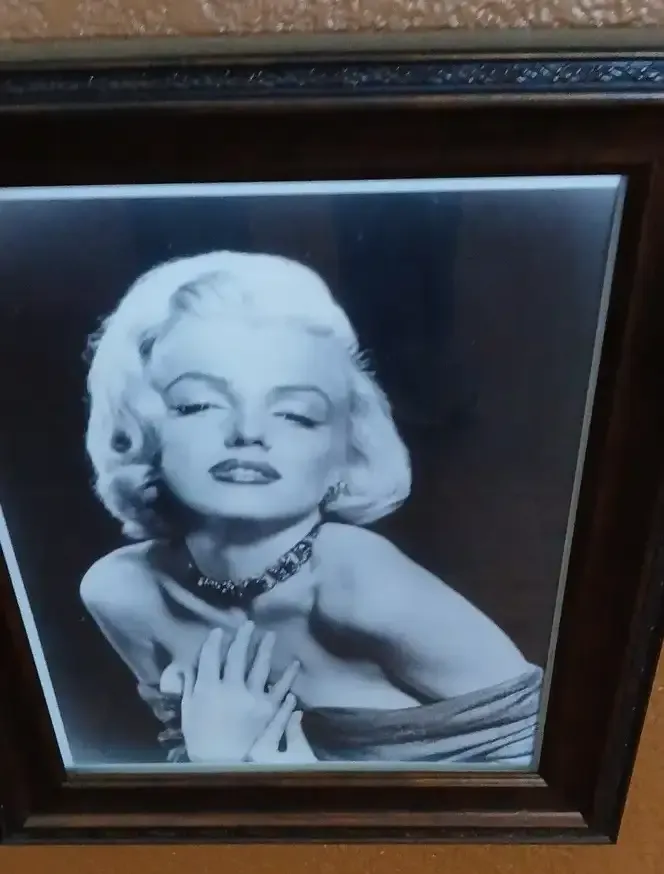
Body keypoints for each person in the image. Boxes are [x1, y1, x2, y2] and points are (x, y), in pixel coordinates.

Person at [80, 249, 542, 767]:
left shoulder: (366, 589)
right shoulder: (124, 594)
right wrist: (223, 766)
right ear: (137, 430)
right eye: (198, 404)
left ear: (348, 452)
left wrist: (282, 782)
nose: (248, 432)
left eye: (297, 414)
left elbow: (548, 778)